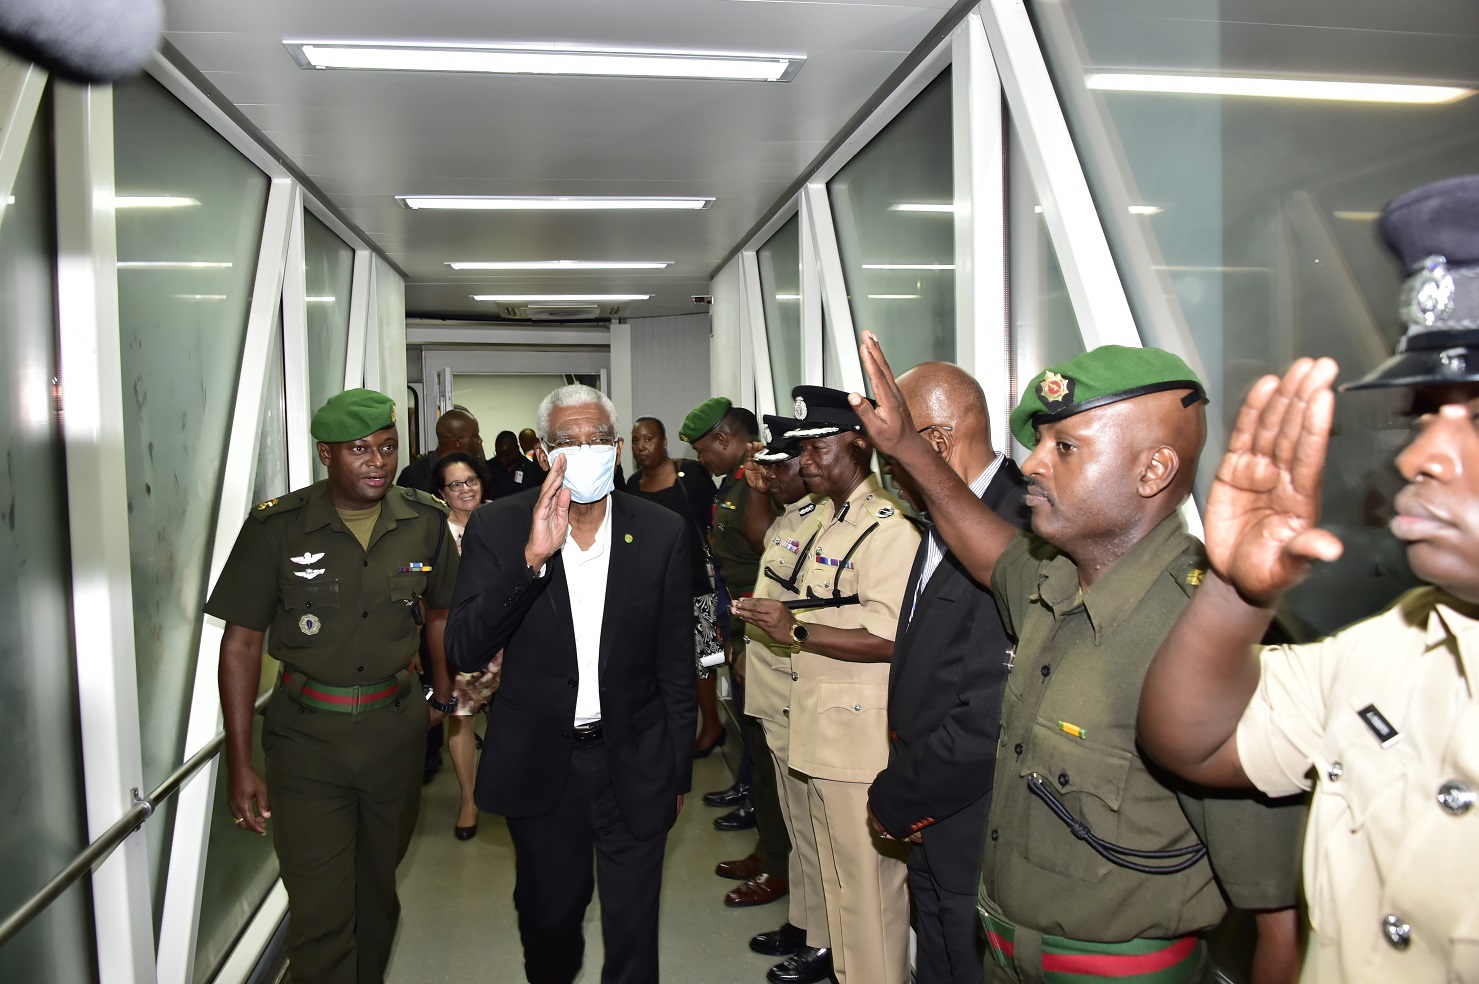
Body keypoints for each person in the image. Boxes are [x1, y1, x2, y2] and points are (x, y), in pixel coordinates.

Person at [850, 337, 1303, 984]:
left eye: (1063, 447)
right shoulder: (1051, 586)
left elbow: (1276, 916)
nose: (1030, 464)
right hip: (1003, 953)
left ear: (1152, 471)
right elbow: (980, 544)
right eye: (1039, 443)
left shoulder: (1209, 638)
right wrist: (905, 449)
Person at [1137, 175, 1479, 983]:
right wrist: (1236, 589)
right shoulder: (1400, 642)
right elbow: (1194, 740)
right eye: (1425, 413)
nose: (1414, 457)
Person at [445, 383, 695, 984]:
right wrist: (531, 560)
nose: (585, 451)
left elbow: (675, 666)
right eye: (566, 442)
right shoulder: (499, 525)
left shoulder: (660, 531)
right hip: (542, 764)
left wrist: (677, 769)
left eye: (598, 440)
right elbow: (466, 647)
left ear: (616, 448)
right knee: (550, 920)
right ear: (541, 454)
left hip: (632, 758)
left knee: (634, 931)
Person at [207, 388, 459, 984]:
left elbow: (440, 615)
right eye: (359, 449)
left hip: (392, 732)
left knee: (377, 896)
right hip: (305, 739)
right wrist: (241, 762)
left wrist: (442, 697)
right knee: (321, 911)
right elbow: (240, 644)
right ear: (326, 455)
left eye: (388, 447)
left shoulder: (423, 522)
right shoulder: (278, 528)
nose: (377, 461)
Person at [733, 386, 921, 984]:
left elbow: (894, 637)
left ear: (859, 444)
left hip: (857, 730)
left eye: (818, 449)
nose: (806, 462)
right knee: (837, 875)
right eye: (805, 451)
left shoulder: (888, 527)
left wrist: (798, 629)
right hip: (817, 715)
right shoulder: (829, 520)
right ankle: (840, 968)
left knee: (867, 887)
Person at [866, 363, 1031, 984]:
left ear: (933, 443)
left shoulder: (1019, 527)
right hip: (933, 811)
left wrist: (902, 798)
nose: (890, 479)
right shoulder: (946, 516)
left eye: (893, 456)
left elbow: (988, 712)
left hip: (974, 818)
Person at [682, 397, 792, 910]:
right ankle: (768, 847)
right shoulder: (727, 484)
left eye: (706, 450)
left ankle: (779, 862)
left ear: (726, 440)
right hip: (732, 615)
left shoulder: (761, 481)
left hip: (763, 627)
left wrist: (745, 637)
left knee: (772, 756)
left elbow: (765, 549)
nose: (703, 460)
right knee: (757, 747)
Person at [735, 416, 834, 984]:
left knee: (815, 828)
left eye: (781, 466)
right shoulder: (796, 519)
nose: (770, 476)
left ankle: (820, 938)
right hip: (778, 683)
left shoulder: (828, 521)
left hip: (804, 688)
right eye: (765, 467)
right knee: (797, 823)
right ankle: (803, 922)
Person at [625, 415, 725, 755]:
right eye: (636, 441)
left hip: (698, 585)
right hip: (654, 590)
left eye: (648, 439)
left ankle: (711, 725)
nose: (642, 447)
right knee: (660, 661)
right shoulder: (632, 485)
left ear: (663, 441)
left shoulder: (691, 474)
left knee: (706, 659)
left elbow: (716, 525)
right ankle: (666, 729)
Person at [432, 451, 501, 840]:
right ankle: (469, 800)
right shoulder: (437, 532)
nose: (465, 490)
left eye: (470, 480)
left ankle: (508, 789)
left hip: (513, 635)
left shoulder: (507, 516)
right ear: (442, 493)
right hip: (464, 639)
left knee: (513, 716)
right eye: (454, 484)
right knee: (462, 716)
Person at [397, 406, 482, 495]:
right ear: (458, 442)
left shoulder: (480, 469)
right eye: (475, 436)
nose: (480, 440)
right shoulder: (414, 476)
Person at [489, 429, 546, 500]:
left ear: (516, 449)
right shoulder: (488, 468)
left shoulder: (531, 469)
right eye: (499, 454)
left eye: (507, 456)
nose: (502, 459)